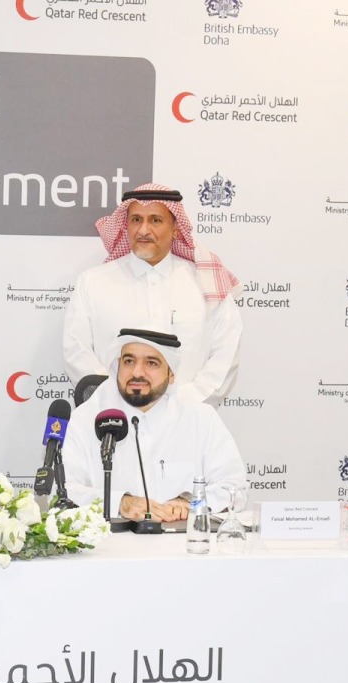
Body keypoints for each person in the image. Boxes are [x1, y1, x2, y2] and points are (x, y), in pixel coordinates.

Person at [62, 184, 243, 405]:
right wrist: (119, 402)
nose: (144, 230)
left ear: (176, 227)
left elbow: (225, 356)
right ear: (125, 224)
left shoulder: (207, 282)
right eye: (136, 220)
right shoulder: (92, 283)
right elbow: (76, 352)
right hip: (114, 424)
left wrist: (182, 407)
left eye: (155, 220)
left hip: (186, 424)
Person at [65, 328, 246, 522]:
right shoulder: (85, 419)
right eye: (129, 361)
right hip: (110, 546)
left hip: (181, 545)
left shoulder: (200, 419)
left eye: (151, 363)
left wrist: (190, 502)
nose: (136, 372)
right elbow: (62, 490)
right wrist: (119, 502)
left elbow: (234, 487)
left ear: (171, 374)